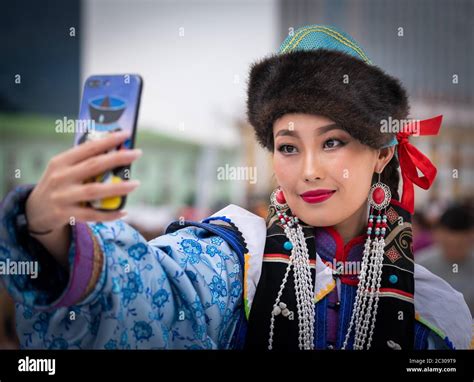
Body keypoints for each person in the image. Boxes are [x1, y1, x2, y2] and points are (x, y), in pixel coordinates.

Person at [0, 25, 471, 350]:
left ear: (383, 152)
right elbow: (149, 301)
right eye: (288, 147)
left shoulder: (435, 309)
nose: (308, 169)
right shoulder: (234, 259)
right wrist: (50, 234)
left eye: (333, 142)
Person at [418, 204, 474, 317]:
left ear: (471, 236)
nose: (454, 249)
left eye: (460, 245)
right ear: (437, 234)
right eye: (448, 245)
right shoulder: (421, 265)